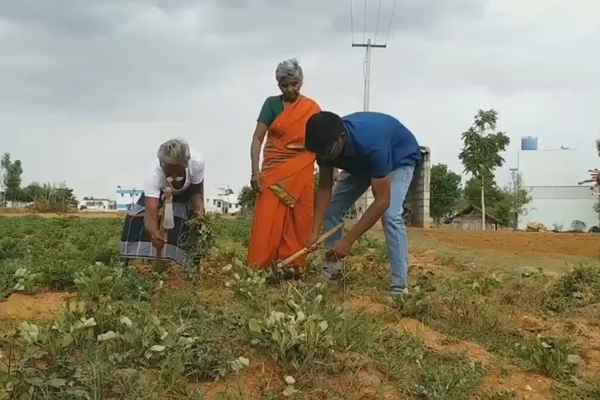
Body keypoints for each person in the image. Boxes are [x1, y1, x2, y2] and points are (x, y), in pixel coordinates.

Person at [304, 111, 421, 294]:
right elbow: (325, 187)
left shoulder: (372, 143)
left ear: (342, 138)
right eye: (319, 154)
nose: (323, 158)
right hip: (362, 163)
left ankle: (400, 287)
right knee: (332, 208)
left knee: (391, 215)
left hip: (399, 157)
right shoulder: (325, 145)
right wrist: (314, 231)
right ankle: (333, 272)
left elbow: (382, 200)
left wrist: (348, 241)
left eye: (326, 153)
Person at [247, 58, 321, 276]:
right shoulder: (271, 104)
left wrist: (331, 169)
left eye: (294, 84)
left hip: (303, 170)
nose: (290, 89)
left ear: (301, 81)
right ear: (278, 85)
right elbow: (258, 139)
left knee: (300, 217)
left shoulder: (312, 108)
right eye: (284, 85)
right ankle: (262, 268)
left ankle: (293, 266)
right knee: (267, 218)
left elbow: (322, 140)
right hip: (272, 173)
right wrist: (255, 171)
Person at [120, 138, 205, 266]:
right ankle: (133, 263)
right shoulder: (154, 174)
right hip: (160, 193)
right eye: (169, 173)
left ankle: (189, 265)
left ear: (186, 164)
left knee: (189, 226)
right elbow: (151, 214)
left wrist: (200, 217)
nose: (174, 177)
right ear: (162, 165)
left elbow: (196, 194)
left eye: (178, 172)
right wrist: (155, 234)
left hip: (187, 193)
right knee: (134, 220)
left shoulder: (197, 162)